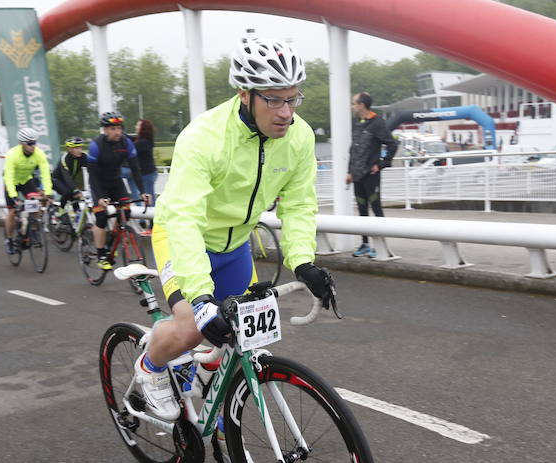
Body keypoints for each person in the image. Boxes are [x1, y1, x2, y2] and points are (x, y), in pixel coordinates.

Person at [133, 35, 335, 421]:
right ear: (245, 94)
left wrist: (304, 263)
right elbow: (184, 217)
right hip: (182, 236)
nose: (285, 113)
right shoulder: (204, 137)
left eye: (293, 98)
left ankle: (203, 371)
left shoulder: (300, 137)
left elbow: (299, 204)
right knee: (194, 326)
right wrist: (199, 296)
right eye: (273, 99)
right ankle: (151, 369)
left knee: (244, 330)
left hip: (236, 243)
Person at [86, 111, 151, 270]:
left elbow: (135, 168)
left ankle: (111, 242)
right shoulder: (96, 145)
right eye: (113, 129)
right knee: (101, 216)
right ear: (105, 130)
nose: (118, 132)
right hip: (99, 184)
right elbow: (92, 175)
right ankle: (101, 254)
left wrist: (143, 191)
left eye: (119, 128)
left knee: (126, 213)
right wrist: (100, 197)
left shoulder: (126, 143)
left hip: (116, 183)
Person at [346, 91, 397, 258]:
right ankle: (365, 244)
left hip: (371, 174)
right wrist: (349, 171)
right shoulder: (356, 122)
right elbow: (353, 149)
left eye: (354, 103)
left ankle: (380, 245)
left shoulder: (377, 122)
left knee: (376, 208)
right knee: (362, 209)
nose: (352, 106)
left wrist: (381, 164)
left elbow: (392, 145)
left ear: (362, 105)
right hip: (357, 175)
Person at [2, 127, 52, 254]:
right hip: (11, 183)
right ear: (22, 144)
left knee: (35, 204)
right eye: (30, 144)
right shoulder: (13, 154)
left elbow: (45, 172)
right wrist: (14, 196)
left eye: (34, 143)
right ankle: (8, 239)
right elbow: (8, 176)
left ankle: (33, 230)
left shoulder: (39, 153)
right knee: (12, 211)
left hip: (26, 180)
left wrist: (47, 191)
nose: (33, 146)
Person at [51, 136, 88, 216]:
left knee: (76, 198)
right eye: (76, 148)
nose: (79, 150)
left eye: (80, 147)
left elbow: (92, 169)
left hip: (69, 181)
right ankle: (60, 212)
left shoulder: (83, 157)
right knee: (68, 192)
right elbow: (66, 177)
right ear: (69, 149)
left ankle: (77, 220)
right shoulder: (64, 159)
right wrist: (75, 190)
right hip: (57, 180)